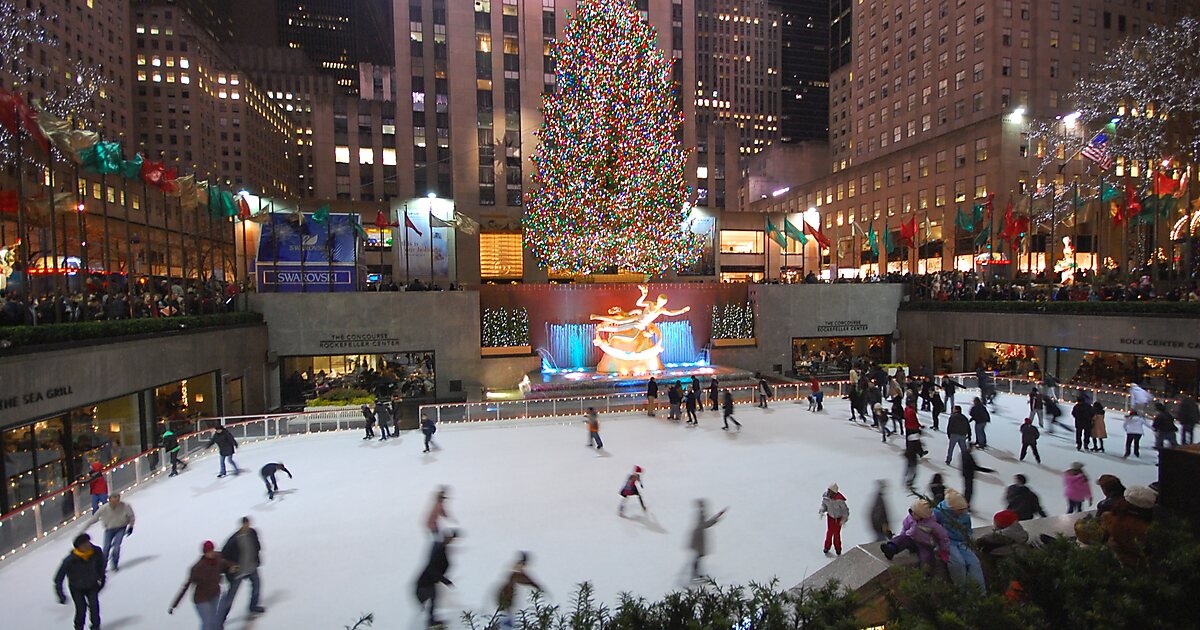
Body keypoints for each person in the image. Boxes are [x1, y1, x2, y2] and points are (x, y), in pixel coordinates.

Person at [169, 540, 234, 630]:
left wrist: (231, 566)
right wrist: (174, 605)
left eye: (212, 550)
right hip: (201, 599)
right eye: (208, 552)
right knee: (207, 622)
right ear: (204, 553)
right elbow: (185, 587)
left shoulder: (218, 558)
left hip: (215, 594)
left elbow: (224, 562)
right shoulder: (197, 568)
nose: (211, 553)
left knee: (215, 620)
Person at [880, 499, 950, 576]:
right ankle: (891, 549)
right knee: (901, 539)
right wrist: (901, 536)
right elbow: (905, 528)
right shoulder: (910, 518)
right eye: (912, 512)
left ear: (922, 515)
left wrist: (943, 549)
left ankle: (926, 574)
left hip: (926, 545)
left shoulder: (932, 524)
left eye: (915, 513)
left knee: (927, 558)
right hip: (911, 539)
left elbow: (943, 536)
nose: (912, 514)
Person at [935, 490, 986, 591]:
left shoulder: (965, 515)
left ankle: (979, 592)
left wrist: (968, 539)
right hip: (947, 542)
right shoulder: (939, 513)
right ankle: (961, 591)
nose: (962, 512)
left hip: (962, 542)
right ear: (951, 508)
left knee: (974, 562)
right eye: (960, 510)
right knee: (958, 563)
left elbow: (968, 530)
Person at [54, 533, 106, 630]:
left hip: (92, 585)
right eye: (84, 545)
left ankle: (95, 627)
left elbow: (101, 565)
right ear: (78, 548)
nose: (87, 546)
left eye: (88, 543)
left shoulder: (96, 551)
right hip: (77, 588)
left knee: (94, 607)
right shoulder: (69, 560)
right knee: (81, 609)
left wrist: (102, 578)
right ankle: (79, 627)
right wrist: (61, 595)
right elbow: (58, 579)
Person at [218, 516, 266, 619]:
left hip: (251, 567)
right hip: (238, 571)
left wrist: (256, 558)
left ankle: (253, 606)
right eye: (245, 525)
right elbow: (224, 555)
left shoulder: (252, 533)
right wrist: (231, 567)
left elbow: (257, 546)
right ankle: (221, 617)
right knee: (231, 595)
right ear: (242, 525)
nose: (247, 527)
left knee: (256, 586)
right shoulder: (234, 539)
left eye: (248, 525)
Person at [415, 530, 458, 628]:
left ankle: (430, 619)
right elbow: (433, 571)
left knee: (433, 599)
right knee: (430, 599)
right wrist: (445, 581)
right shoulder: (439, 551)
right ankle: (428, 620)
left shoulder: (440, 550)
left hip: (427, 582)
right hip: (425, 583)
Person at [82, 493, 135, 572]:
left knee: (116, 547)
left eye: (117, 500)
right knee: (106, 548)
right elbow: (94, 519)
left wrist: (131, 526)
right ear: (109, 500)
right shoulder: (104, 509)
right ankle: (103, 566)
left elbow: (131, 516)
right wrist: (83, 529)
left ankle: (115, 564)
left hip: (121, 528)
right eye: (113, 501)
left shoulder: (125, 506)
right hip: (109, 529)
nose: (115, 503)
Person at [495, 551, 544, 628]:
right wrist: (538, 587)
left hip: (506, 602)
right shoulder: (514, 574)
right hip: (505, 600)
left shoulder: (513, 574)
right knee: (506, 621)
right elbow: (524, 578)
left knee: (506, 619)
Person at [689, 500, 727, 580]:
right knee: (699, 556)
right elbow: (705, 524)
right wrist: (717, 517)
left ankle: (695, 572)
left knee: (699, 556)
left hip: (699, 537)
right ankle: (695, 573)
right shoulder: (701, 514)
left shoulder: (700, 514)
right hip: (699, 537)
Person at [819, 483, 850, 556]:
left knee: (836, 534)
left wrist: (843, 519)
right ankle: (827, 547)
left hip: (838, 519)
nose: (829, 493)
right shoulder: (826, 497)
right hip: (830, 518)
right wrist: (822, 510)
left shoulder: (840, 501)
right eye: (828, 491)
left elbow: (845, 511)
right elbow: (824, 505)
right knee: (829, 532)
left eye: (831, 492)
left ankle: (838, 549)